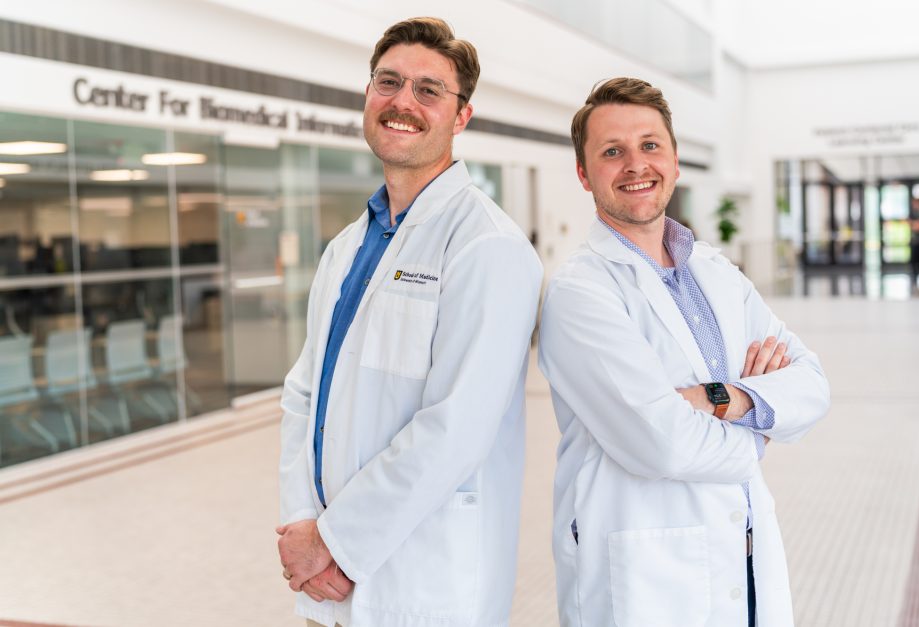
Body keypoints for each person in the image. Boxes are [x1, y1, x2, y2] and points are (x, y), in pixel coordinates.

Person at [276, 17, 542, 627]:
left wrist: (337, 545)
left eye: (429, 90)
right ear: (368, 95)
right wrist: (303, 534)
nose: (403, 102)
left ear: (462, 116)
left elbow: (456, 429)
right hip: (325, 582)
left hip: (422, 584)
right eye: (388, 82)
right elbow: (303, 395)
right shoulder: (348, 246)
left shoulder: (487, 247)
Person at [538, 77, 830, 627]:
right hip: (645, 577)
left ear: (674, 160)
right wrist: (762, 428)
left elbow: (812, 382)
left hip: (744, 560)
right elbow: (662, 443)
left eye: (650, 145)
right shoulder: (581, 292)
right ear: (583, 173)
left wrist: (720, 399)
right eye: (611, 151)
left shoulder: (716, 271)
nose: (635, 165)